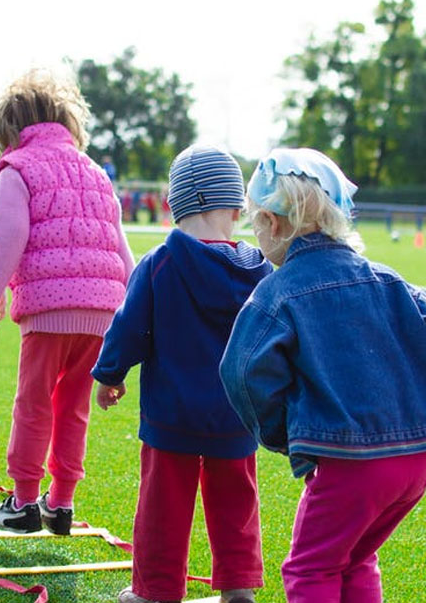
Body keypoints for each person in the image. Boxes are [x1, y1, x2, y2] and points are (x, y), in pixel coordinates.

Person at [220, 148, 426, 603]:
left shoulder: (277, 291)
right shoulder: (389, 279)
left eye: (256, 225)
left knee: (311, 567)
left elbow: (241, 370)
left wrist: (281, 433)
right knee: (355, 558)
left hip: (352, 462)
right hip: (417, 461)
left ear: (274, 224)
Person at [93, 146, 272, 603]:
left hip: (171, 415)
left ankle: (155, 590)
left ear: (173, 205)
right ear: (237, 206)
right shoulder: (261, 271)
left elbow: (129, 326)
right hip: (237, 415)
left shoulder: (160, 263)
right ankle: (238, 588)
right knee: (236, 504)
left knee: (163, 508)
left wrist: (110, 373)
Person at [0, 69, 134, 535]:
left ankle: (21, 502)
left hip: (48, 308)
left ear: (9, 131)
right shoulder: (96, 171)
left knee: (33, 403)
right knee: (73, 406)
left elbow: (7, 236)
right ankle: (60, 503)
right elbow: (121, 249)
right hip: (103, 311)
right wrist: (136, 319)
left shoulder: (16, 169)